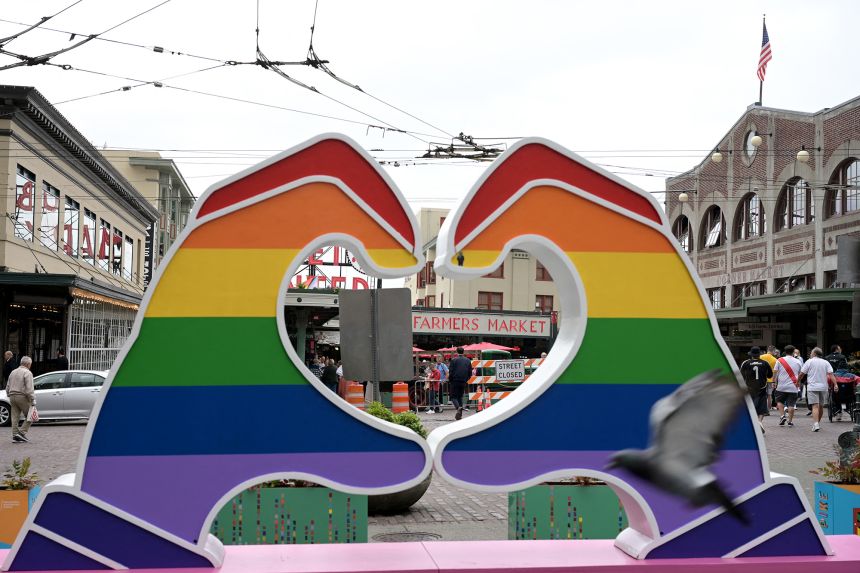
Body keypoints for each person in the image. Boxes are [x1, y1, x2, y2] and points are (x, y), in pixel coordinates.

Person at [798, 347, 833, 432]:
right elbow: (831, 374)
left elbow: (802, 373)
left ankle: (816, 423)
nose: (810, 354)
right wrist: (835, 384)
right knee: (820, 406)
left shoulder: (809, 361)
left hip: (812, 387)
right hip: (823, 387)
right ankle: (817, 423)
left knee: (815, 406)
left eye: (811, 353)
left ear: (814, 354)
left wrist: (797, 381)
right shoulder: (826, 362)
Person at [740, 346, 772, 433]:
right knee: (762, 407)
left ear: (751, 355)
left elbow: (741, 376)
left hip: (749, 388)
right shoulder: (765, 363)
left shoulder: (746, 363)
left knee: (750, 406)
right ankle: (759, 422)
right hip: (762, 388)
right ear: (759, 354)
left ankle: (752, 423)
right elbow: (770, 375)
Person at [7, 356, 35, 443]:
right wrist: (32, 399)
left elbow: (8, 386)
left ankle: (15, 435)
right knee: (31, 416)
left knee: (15, 417)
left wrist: (9, 394)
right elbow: (29, 388)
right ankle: (21, 433)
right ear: (28, 364)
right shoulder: (27, 372)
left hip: (12, 396)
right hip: (22, 396)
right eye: (30, 364)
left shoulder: (13, 372)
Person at [773, 345, 802, 427]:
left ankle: (782, 416)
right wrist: (799, 382)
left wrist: (773, 382)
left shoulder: (779, 360)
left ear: (785, 352)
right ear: (793, 352)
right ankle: (790, 421)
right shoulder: (798, 361)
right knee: (791, 404)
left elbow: (775, 372)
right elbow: (800, 374)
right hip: (793, 386)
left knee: (779, 401)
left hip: (781, 386)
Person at [448, 347, 472, 420]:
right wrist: (466, 379)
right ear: (463, 352)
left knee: (453, 397)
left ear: (457, 352)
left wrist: (450, 380)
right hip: (463, 381)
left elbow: (451, 372)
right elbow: (470, 372)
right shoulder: (468, 360)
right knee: (460, 397)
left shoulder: (454, 360)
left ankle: (458, 408)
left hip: (455, 380)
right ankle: (460, 415)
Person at [760, 346, 778, 411]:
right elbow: (776, 371)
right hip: (770, 379)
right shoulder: (775, 360)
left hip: (761, 379)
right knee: (769, 395)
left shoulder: (761, 357)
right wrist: (775, 381)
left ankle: (762, 408)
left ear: (767, 350)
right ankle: (768, 409)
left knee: (761, 395)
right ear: (773, 351)